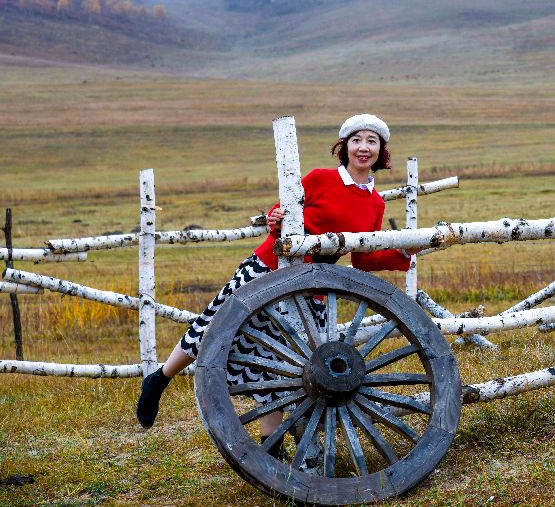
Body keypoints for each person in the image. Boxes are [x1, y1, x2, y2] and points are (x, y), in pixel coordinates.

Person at [136, 114, 415, 446]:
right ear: (345, 147)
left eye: (372, 141)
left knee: (286, 363)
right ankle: (160, 379)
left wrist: (403, 253)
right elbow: (280, 211)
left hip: (314, 286)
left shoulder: (375, 203)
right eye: (357, 140)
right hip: (270, 266)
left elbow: (362, 257)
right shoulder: (320, 179)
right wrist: (275, 219)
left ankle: (272, 442)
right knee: (214, 323)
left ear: (381, 151)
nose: (363, 148)